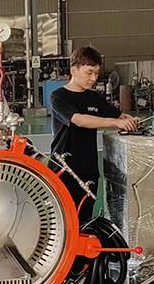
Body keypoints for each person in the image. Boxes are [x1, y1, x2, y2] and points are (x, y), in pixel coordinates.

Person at [50, 46, 139, 225]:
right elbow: (79, 120)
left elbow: (118, 116)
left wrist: (129, 120)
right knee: (64, 222)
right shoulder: (58, 97)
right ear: (74, 70)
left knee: (85, 220)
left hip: (88, 169)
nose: (93, 79)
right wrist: (115, 122)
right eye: (89, 73)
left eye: (96, 73)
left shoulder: (94, 98)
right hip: (64, 169)